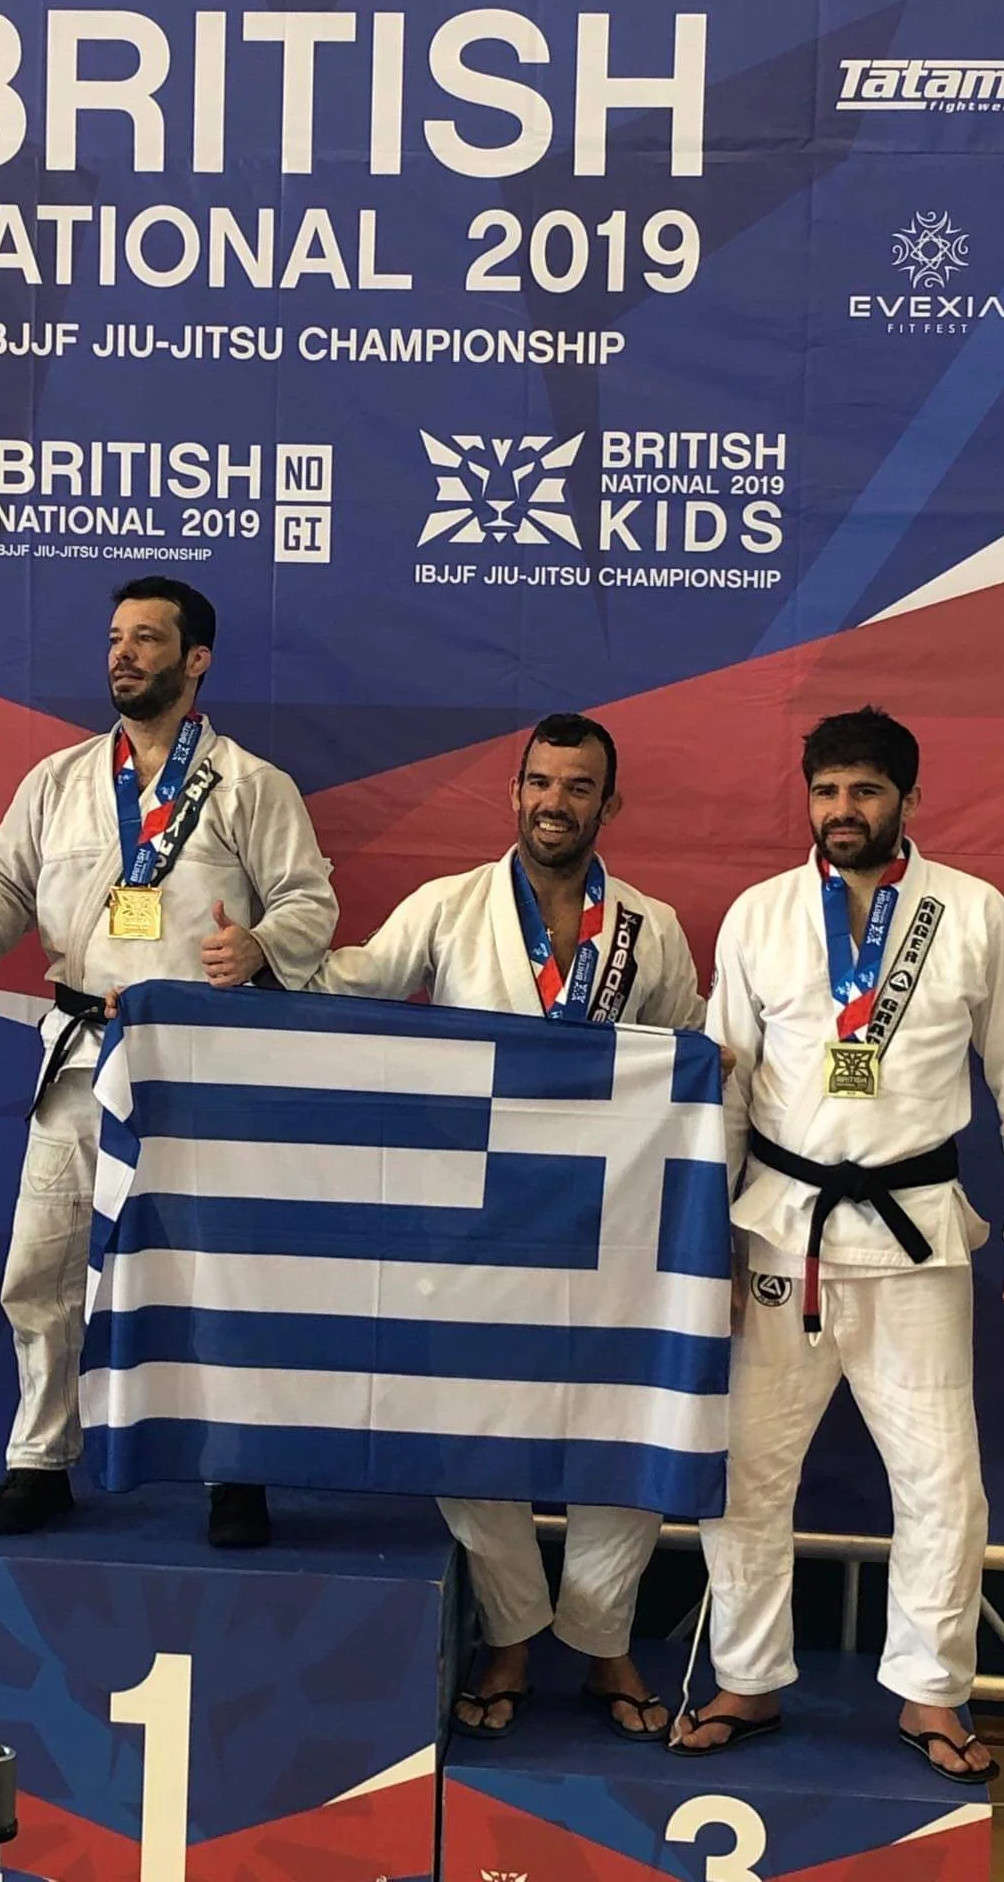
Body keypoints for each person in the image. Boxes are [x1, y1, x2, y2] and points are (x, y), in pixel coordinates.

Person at [674, 706, 1004, 1783]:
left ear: (907, 797)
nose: (842, 810)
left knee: (944, 1480)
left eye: (863, 790)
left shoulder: (972, 912)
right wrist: (704, 1236)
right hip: (779, 1229)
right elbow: (725, 1088)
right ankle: (747, 1675)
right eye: (826, 791)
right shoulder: (760, 915)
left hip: (916, 1239)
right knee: (747, 1473)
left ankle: (932, 1690)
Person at [313, 712, 705, 1739]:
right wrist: (249, 964)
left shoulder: (650, 927)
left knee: (628, 1425)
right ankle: (512, 1633)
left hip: (614, 1218)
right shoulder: (449, 907)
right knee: (469, 1432)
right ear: (515, 791)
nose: (554, 802)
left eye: (578, 786)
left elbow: (691, 1059)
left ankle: (605, 1637)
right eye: (539, 781)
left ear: (608, 804)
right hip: (477, 1218)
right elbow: (351, 983)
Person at [0, 577, 337, 1547]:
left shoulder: (250, 784)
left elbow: (310, 900)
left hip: (198, 1063)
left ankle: (233, 1466)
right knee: (40, 1265)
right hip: (81, 1057)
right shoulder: (59, 780)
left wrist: (258, 945)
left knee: (216, 1274)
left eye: (148, 638)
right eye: (116, 637)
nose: (123, 653)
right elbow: (3, 876)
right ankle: (40, 1457)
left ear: (196, 659)